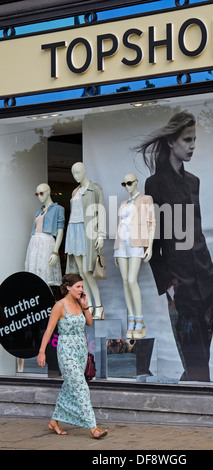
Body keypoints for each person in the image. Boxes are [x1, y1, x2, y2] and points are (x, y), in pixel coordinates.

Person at [137, 112, 213, 382]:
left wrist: (212, 273)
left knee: (201, 358)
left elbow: (196, 230)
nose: (193, 145)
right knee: (194, 359)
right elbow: (151, 240)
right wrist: (168, 285)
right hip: (180, 284)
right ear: (172, 142)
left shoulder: (194, 182)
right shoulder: (154, 184)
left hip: (207, 278)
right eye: (187, 140)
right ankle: (197, 407)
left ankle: (198, 407)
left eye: (195, 139)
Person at [37, 273, 108, 439]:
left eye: (82, 287)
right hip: (66, 351)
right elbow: (49, 330)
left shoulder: (79, 303)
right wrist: (41, 352)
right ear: (68, 287)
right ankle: (93, 428)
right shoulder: (59, 306)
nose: (81, 290)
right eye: (78, 287)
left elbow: (89, 322)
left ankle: (54, 421)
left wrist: (84, 305)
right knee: (81, 388)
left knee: (70, 387)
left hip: (81, 351)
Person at [114, 173, 155, 339]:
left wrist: (150, 246)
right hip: (122, 243)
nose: (127, 186)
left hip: (136, 242)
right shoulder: (124, 203)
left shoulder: (146, 199)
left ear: (136, 182)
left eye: (129, 183)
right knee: (125, 281)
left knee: (132, 280)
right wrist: (116, 248)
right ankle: (130, 318)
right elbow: (120, 225)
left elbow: (151, 223)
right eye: (124, 184)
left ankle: (140, 319)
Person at [65, 162, 106, 320]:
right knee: (81, 273)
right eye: (73, 173)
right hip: (73, 229)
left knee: (88, 272)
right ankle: (88, 307)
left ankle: (99, 307)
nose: (75, 176)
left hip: (86, 230)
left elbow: (100, 211)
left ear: (84, 171)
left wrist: (100, 234)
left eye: (78, 172)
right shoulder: (75, 191)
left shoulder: (95, 189)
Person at [25, 183, 64, 286]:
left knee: (45, 275)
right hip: (34, 244)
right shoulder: (38, 211)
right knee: (34, 275)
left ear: (49, 192)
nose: (39, 196)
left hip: (47, 243)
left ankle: (47, 300)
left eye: (41, 193)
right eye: (37, 194)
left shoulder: (58, 209)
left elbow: (60, 230)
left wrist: (55, 252)